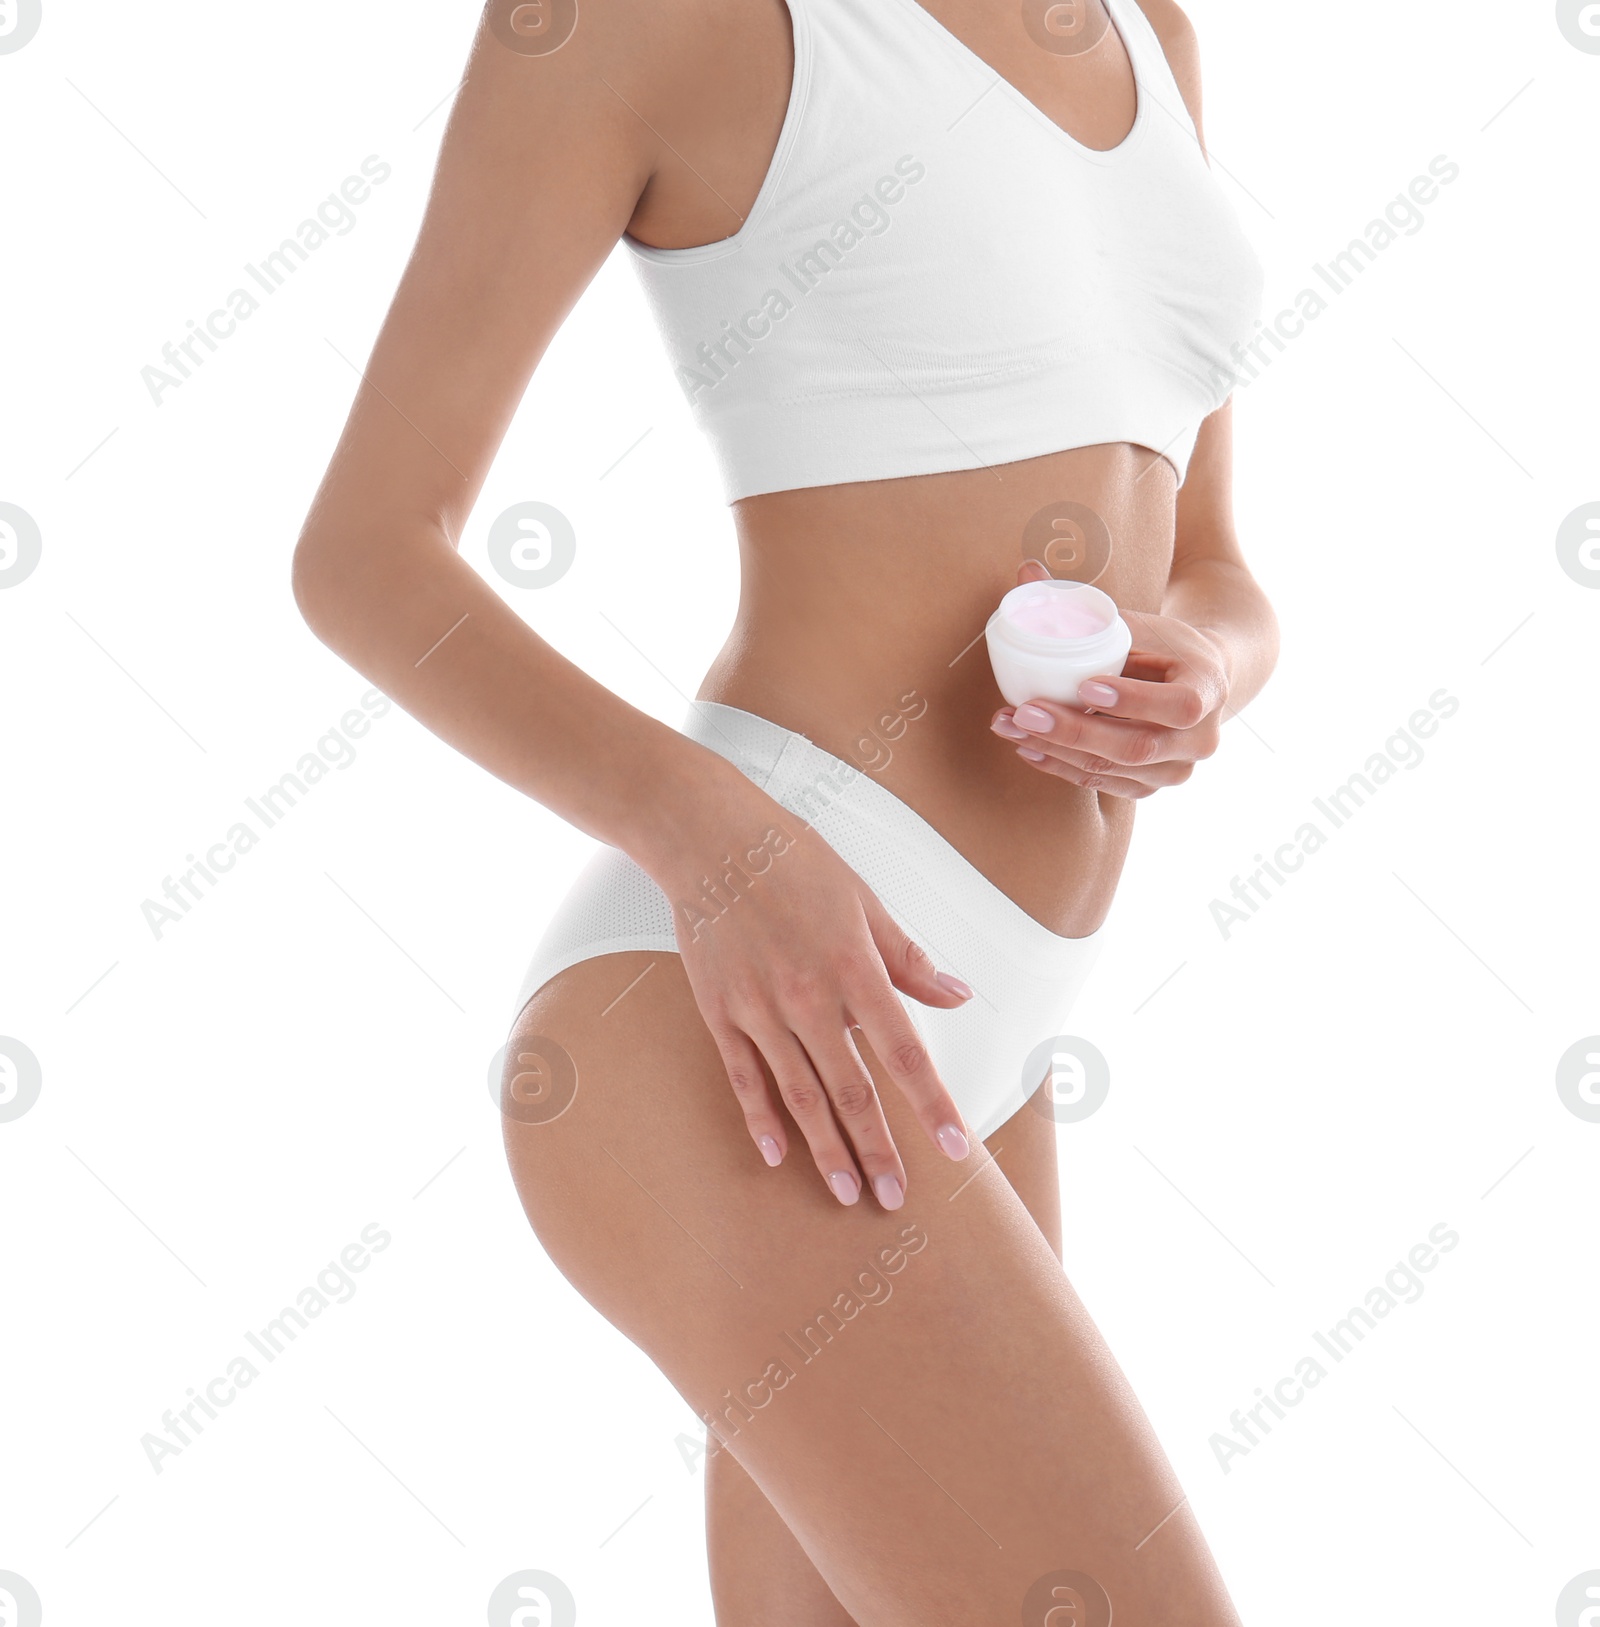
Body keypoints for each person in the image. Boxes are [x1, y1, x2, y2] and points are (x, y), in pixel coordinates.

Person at [291, 0, 1278, 1618]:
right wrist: (717, 842)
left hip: (979, 1020)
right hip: (754, 999)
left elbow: (1219, 564)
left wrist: (1212, 672)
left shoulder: (1141, 26)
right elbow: (368, 556)